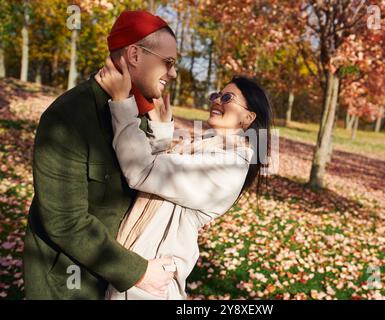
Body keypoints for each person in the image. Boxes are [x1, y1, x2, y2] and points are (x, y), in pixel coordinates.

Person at [23, 10, 177, 299]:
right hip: (69, 283)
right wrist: (138, 272)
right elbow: (65, 222)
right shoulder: (68, 117)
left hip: (113, 284)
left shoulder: (138, 116)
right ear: (134, 54)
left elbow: (149, 179)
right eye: (167, 63)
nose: (173, 73)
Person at [96, 57, 273, 299]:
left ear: (248, 118)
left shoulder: (228, 168)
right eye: (216, 95)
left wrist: (121, 103)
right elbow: (159, 176)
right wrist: (161, 132)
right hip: (136, 269)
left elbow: (142, 171)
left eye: (227, 98)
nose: (216, 101)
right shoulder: (207, 148)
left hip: (151, 281)